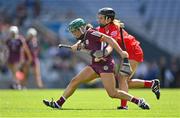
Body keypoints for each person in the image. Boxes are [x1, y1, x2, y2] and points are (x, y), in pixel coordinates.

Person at [43, 18, 150, 110]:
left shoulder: (91, 33)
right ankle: (58, 103)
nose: (74, 34)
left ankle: (139, 101)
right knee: (75, 80)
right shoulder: (84, 37)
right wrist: (78, 47)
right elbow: (86, 46)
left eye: (75, 31)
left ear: (81, 28)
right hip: (95, 66)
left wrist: (121, 52)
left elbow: (109, 39)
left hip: (106, 66)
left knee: (113, 93)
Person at [96, 7, 160, 109]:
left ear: (108, 19)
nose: (98, 20)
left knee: (122, 79)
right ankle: (152, 84)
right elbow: (92, 35)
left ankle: (124, 106)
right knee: (125, 82)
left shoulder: (114, 29)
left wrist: (104, 53)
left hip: (133, 52)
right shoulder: (102, 28)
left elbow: (111, 44)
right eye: (98, 18)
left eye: (101, 18)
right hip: (126, 53)